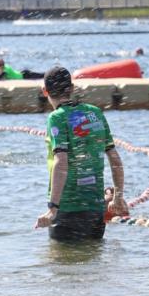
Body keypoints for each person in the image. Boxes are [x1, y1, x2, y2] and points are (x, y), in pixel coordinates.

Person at [35, 67, 128, 240]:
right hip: (95, 208)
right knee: (93, 257)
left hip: (67, 208)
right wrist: (118, 197)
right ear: (71, 88)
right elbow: (114, 158)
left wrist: (53, 208)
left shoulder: (56, 117)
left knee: (62, 263)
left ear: (45, 91)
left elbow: (61, 161)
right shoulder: (95, 113)